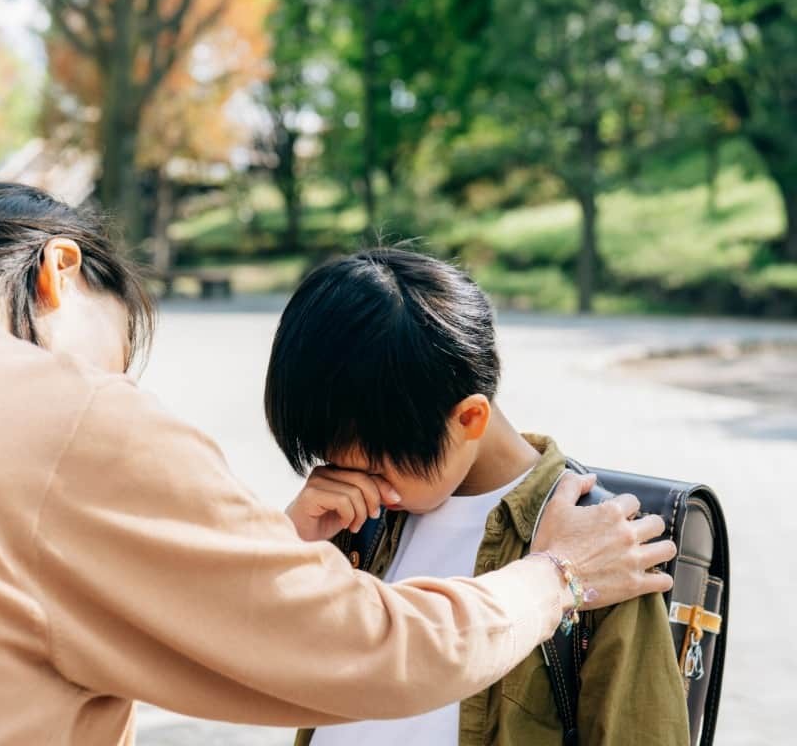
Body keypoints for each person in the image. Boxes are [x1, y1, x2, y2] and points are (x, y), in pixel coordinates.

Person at [0, 184, 675, 745]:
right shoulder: (52, 411)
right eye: (116, 349)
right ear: (56, 272)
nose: (116, 383)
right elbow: (366, 651)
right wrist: (558, 576)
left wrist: (263, 550)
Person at [269, 247, 689, 746]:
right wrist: (286, 545)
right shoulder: (349, 522)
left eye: (376, 466)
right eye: (333, 461)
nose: (355, 483)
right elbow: (246, 665)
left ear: (470, 418)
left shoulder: (597, 543)